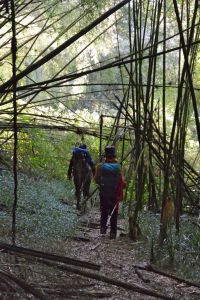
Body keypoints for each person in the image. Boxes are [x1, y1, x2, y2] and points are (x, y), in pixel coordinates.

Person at [94, 146, 126, 239]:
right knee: (114, 212)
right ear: (114, 156)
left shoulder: (100, 166)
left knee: (104, 210)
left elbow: (96, 179)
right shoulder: (118, 167)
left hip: (104, 192)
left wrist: (101, 183)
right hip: (115, 193)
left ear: (106, 156)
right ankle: (112, 233)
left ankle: (103, 229)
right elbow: (122, 181)